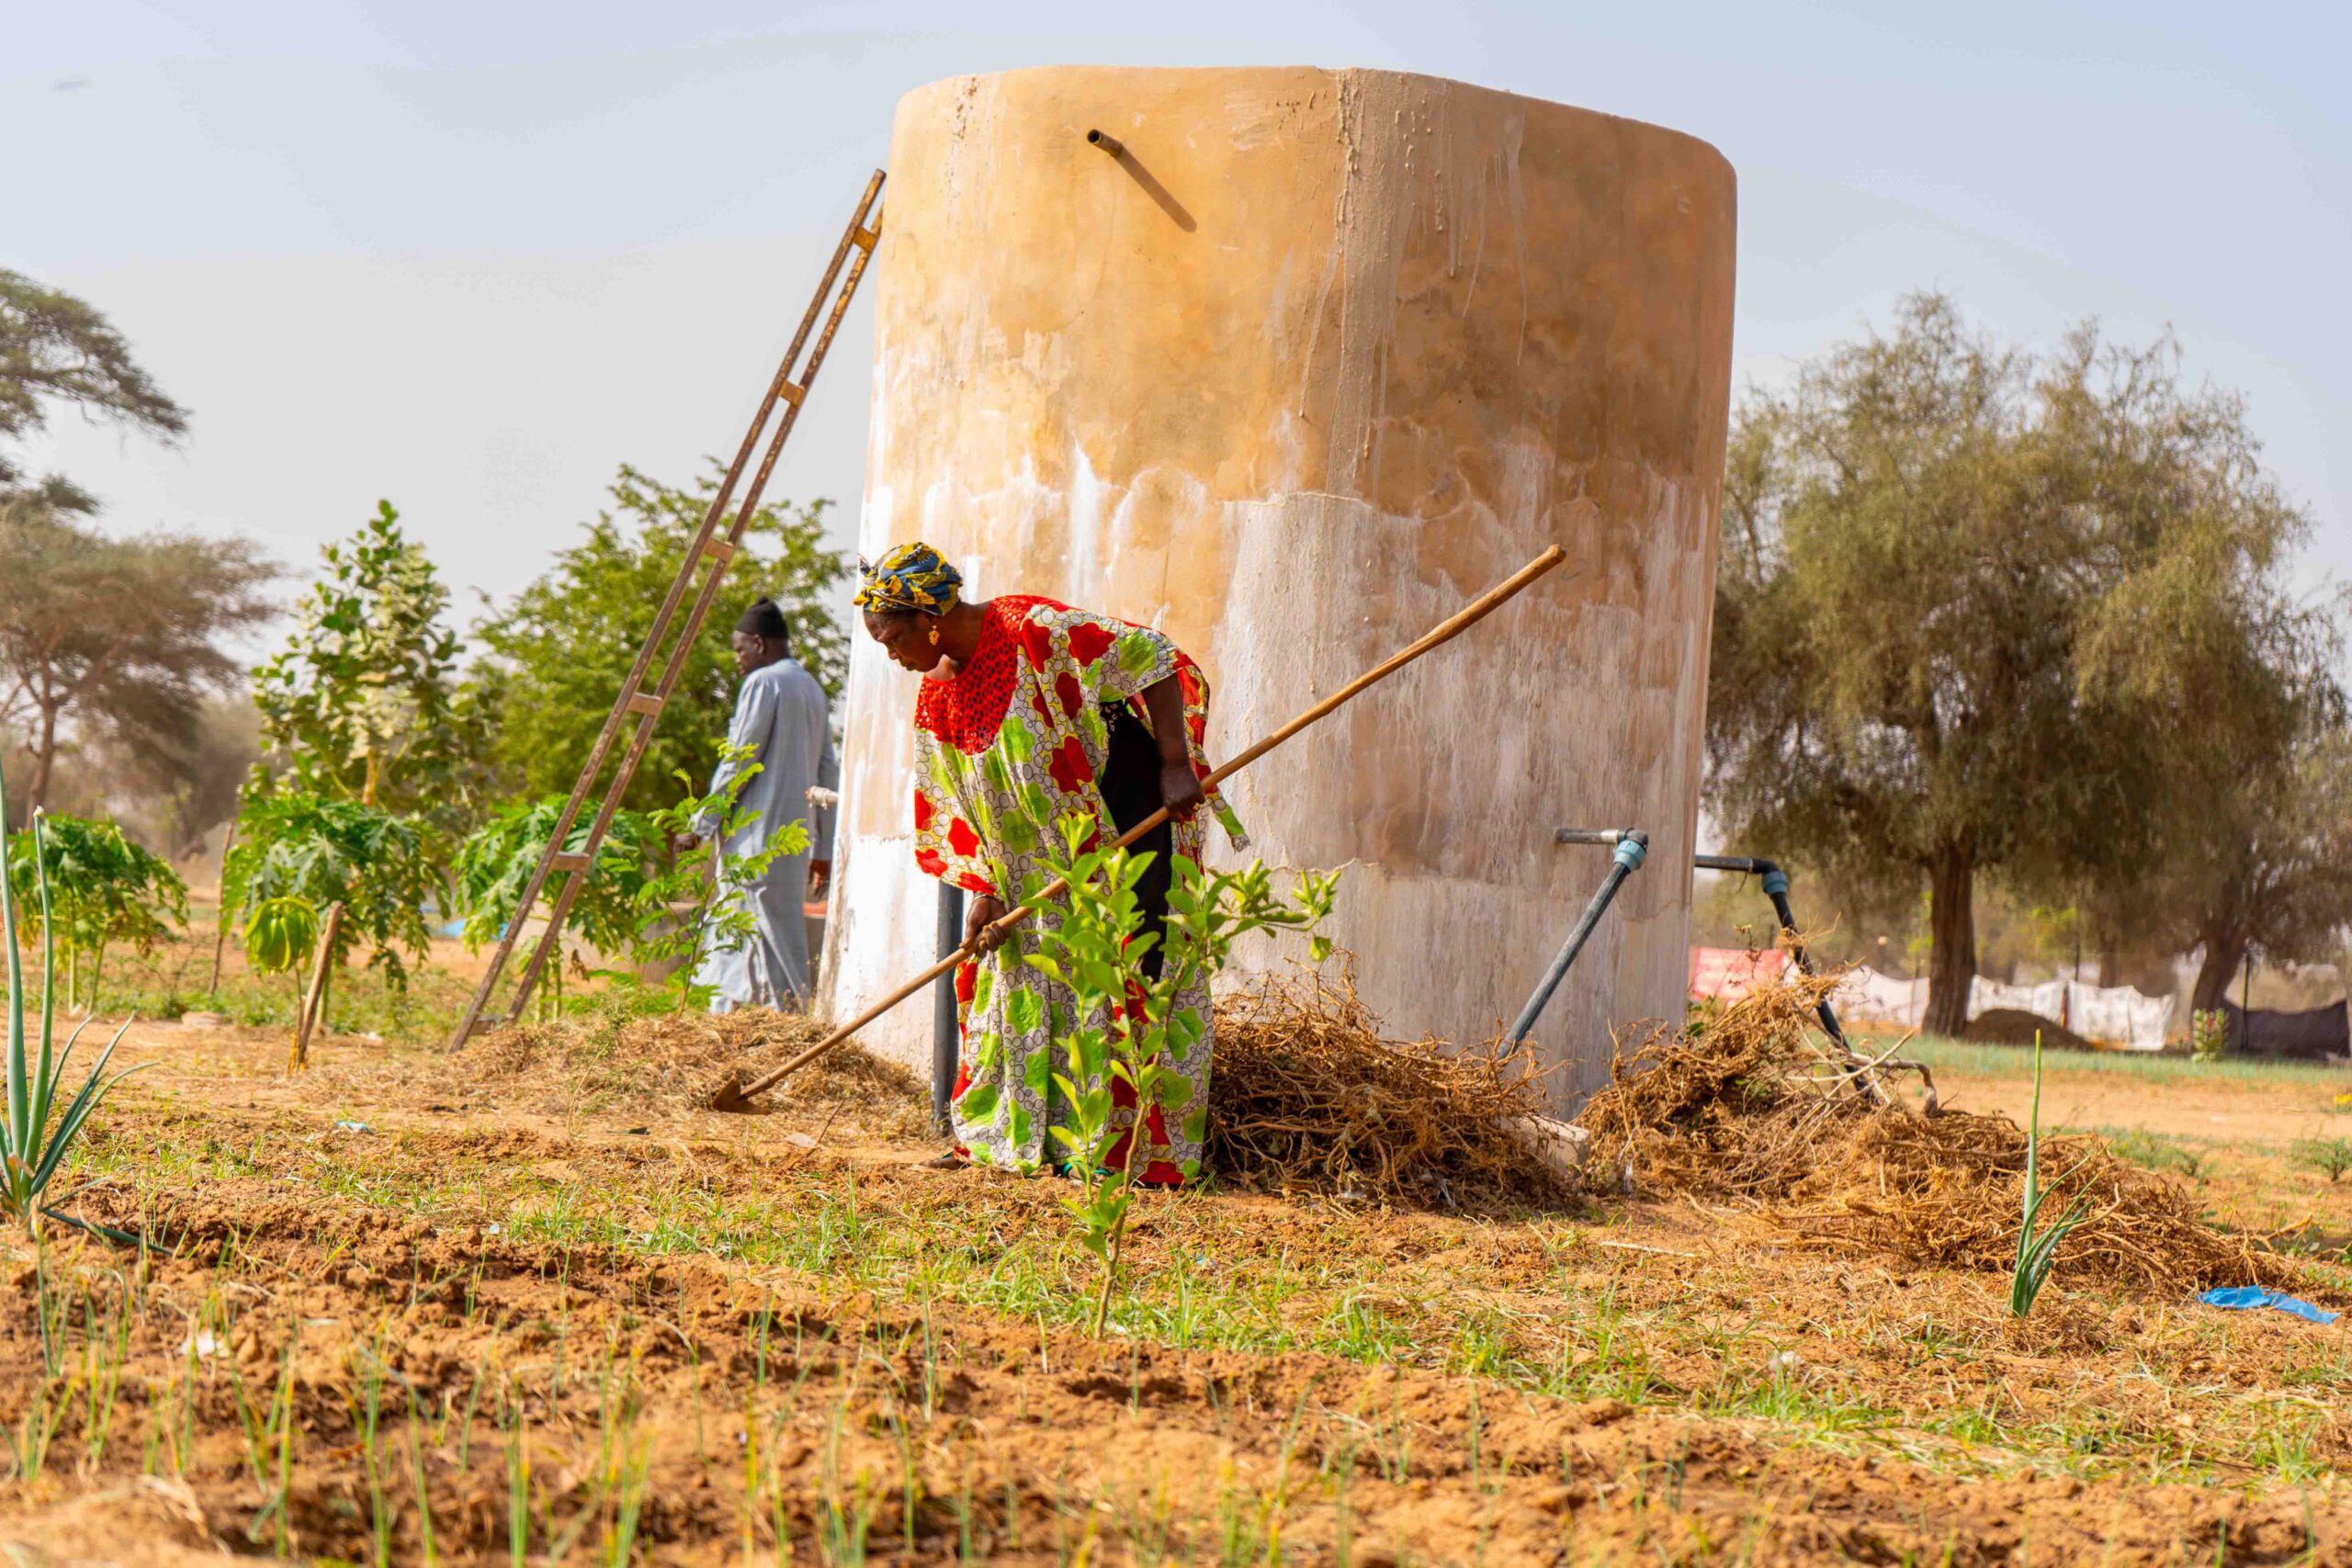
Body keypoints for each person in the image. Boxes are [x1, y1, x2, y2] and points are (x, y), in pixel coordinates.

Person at [854, 541, 1246, 1184]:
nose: (892, 657)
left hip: (1125, 831)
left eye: (891, 638)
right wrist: (984, 883)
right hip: (1033, 873)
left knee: (1125, 978)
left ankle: (1125, 1156)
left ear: (928, 615)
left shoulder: (1034, 632)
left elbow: (1152, 657)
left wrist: (1176, 762)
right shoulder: (938, 692)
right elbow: (964, 800)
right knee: (1022, 990)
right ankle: (1025, 1140)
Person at [681, 597, 837, 1012]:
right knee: (762, 939)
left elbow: (739, 760)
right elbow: (828, 772)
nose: (737, 660)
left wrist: (700, 825)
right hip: (793, 844)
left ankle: (790, 1023)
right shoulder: (812, 689)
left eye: (739, 649)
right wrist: (822, 852)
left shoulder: (764, 683)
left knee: (759, 941)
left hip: (756, 841)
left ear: (758, 643)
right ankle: (746, 1027)